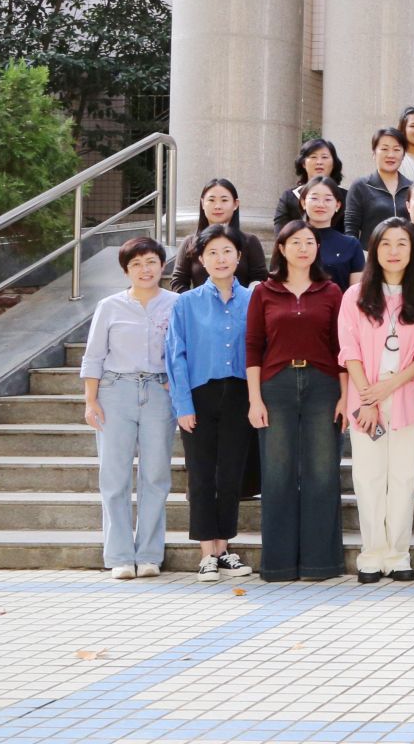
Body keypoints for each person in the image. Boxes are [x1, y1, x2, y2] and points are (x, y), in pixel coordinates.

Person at [247, 221, 345, 582]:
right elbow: (253, 346)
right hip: (276, 385)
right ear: (282, 248)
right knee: (277, 474)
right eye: (296, 242)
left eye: (310, 242)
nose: (303, 248)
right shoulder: (264, 291)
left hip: (323, 385)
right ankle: (279, 565)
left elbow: (340, 347)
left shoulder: (331, 291)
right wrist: (254, 399)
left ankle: (321, 563)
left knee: (322, 472)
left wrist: (345, 396)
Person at [80, 237, 178, 580]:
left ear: (162, 266)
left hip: (159, 392)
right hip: (115, 391)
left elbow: (185, 351)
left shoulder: (177, 304)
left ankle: (149, 554)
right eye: (136, 264)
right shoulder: (109, 306)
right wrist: (90, 400)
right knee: (114, 475)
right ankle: (120, 556)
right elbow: (94, 355)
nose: (144, 269)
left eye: (150, 262)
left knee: (155, 475)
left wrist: (176, 382)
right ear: (126, 271)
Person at [164, 226, 257, 582]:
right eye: (212, 253)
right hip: (200, 394)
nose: (221, 259)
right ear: (201, 260)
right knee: (202, 474)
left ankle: (224, 548)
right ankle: (207, 552)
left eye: (227, 251)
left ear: (239, 257)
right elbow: (176, 356)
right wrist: (183, 405)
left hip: (240, 394)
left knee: (231, 473)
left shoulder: (253, 299)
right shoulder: (186, 303)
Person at [338, 219, 414, 583]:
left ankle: (398, 555)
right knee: (368, 477)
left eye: (401, 243)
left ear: (412, 251)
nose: (393, 251)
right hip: (366, 400)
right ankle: (372, 554)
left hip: (407, 396)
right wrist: (368, 397)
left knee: (404, 478)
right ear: (373, 250)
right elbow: (349, 350)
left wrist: (388, 388)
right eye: (385, 243)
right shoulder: (355, 296)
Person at [170, 178, 270, 291]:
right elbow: (179, 281)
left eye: (224, 200)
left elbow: (260, 277)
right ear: (202, 203)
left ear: (235, 204)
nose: (217, 206)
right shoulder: (190, 243)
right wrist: (193, 300)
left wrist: (246, 297)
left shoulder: (249, 241)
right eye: (211, 200)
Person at [289, 176, 364, 287]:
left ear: (337, 205)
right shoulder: (290, 241)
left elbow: (355, 292)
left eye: (328, 199)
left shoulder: (351, 245)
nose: (321, 204)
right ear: (303, 203)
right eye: (314, 198)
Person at [345, 128, 412, 244]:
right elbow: (351, 229)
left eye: (396, 149)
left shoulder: (412, 188)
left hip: (405, 252)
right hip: (369, 253)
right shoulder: (360, 186)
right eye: (384, 149)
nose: (391, 155)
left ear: (403, 154)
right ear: (374, 153)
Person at [274, 139, 346, 232]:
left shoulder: (346, 196)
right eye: (313, 157)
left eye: (324, 157)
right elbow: (281, 233)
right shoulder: (289, 197)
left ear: (334, 163)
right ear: (303, 163)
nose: (319, 162)